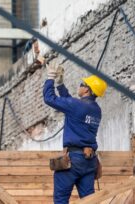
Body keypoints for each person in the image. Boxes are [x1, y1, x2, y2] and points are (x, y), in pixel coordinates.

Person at [43, 63, 107, 204]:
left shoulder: (77, 106)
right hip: (89, 162)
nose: (80, 86)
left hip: (74, 160)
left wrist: (51, 78)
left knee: (60, 200)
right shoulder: (96, 110)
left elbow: (49, 98)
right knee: (89, 201)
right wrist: (60, 85)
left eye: (82, 84)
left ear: (87, 90)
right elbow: (70, 105)